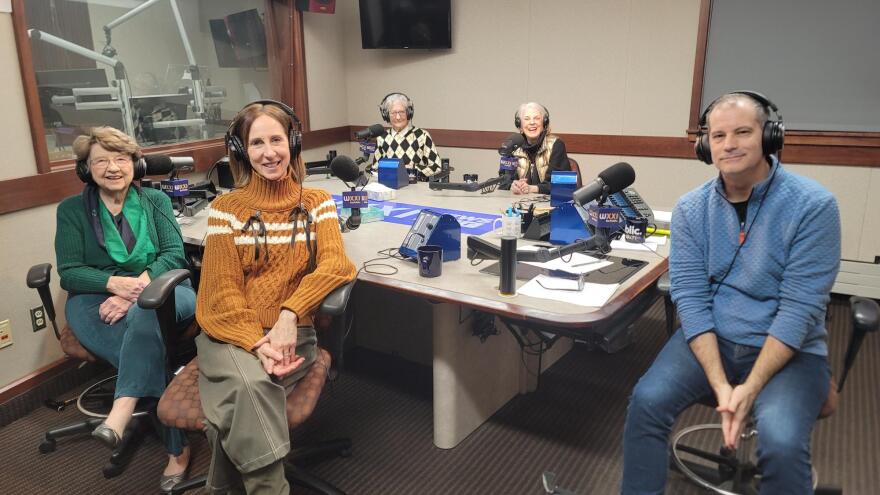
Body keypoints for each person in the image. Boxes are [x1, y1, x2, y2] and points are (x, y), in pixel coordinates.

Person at [621, 92, 841, 494]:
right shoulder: (691, 209)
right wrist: (723, 386)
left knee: (782, 440)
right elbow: (689, 296)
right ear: (706, 146)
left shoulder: (813, 206)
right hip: (714, 339)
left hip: (789, 349)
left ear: (769, 137)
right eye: (719, 135)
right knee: (647, 403)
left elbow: (799, 310)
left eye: (743, 132)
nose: (730, 144)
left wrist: (749, 389)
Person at [195, 100, 356, 494]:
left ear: (293, 143)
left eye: (276, 140)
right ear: (241, 151)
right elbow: (220, 291)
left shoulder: (316, 202)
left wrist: (289, 315)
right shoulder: (225, 209)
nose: (269, 152)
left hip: (293, 335)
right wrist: (256, 341)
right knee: (253, 387)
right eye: (256, 143)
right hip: (230, 335)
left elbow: (336, 266)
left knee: (229, 411)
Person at [56, 126, 195, 493]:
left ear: (135, 164)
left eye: (120, 158)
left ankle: (123, 408)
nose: (112, 167)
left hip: (163, 288)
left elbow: (174, 255)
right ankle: (177, 450)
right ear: (86, 169)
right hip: (94, 299)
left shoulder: (156, 201)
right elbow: (69, 271)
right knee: (149, 348)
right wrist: (114, 284)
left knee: (146, 311)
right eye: (101, 160)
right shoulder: (71, 211)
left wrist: (136, 289)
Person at [371, 92, 442, 180]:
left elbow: (437, 167)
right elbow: (375, 169)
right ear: (386, 115)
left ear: (409, 113)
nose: (398, 117)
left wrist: (413, 168)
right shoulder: (381, 137)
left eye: (401, 112)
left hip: (416, 188)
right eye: (393, 113)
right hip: (391, 189)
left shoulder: (422, 135)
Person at [510, 102, 570, 195]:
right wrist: (512, 186)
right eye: (527, 119)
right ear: (519, 125)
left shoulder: (556, 145)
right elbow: (504, 181)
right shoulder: (513, 147)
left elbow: (561, 185)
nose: (532, 122)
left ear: (544, 123)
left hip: (548, 205)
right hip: (519, 204)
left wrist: (533, 188)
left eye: (537, 118)